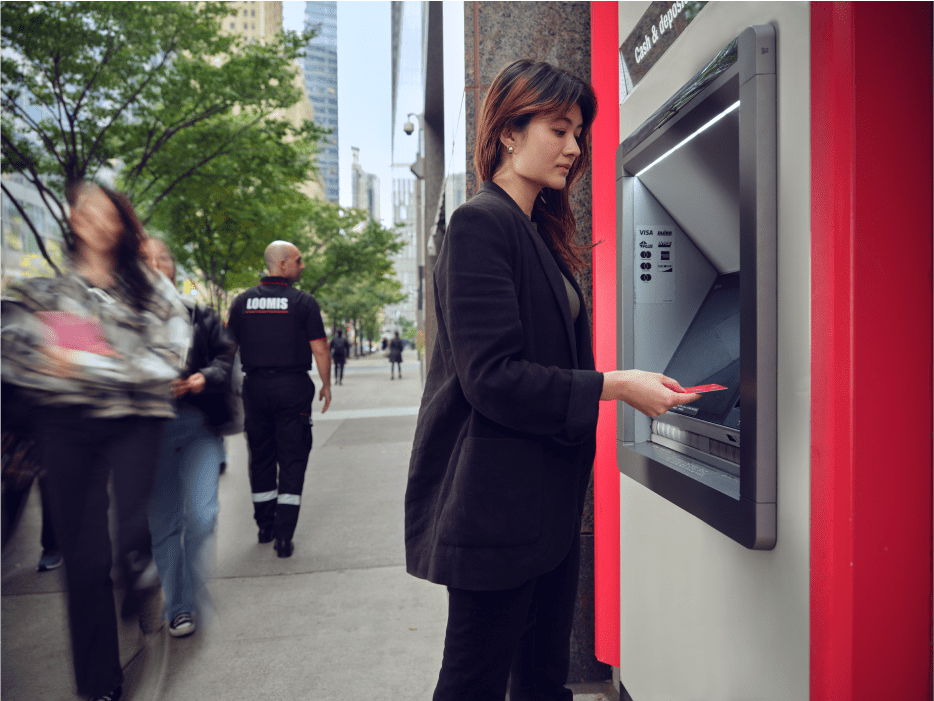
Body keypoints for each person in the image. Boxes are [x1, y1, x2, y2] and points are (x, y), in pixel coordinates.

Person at [404, 60, 702, 701]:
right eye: (558, 129)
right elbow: (492, 378)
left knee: (541, 679)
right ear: (509, 134)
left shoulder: (534, 228)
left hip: (544, 503)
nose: (574, 148)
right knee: (473, 684)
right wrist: (616, 386)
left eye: (579, 134)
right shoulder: (480, 224)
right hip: (496, 505)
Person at [1, 181, 190, 701]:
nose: (100, 221)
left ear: (125, 225)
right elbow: (27, 355)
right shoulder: (55, 294)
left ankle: (138, 574)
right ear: (72, 218)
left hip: (135, 418)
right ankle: (98, 685)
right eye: (89, 211)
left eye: (111, 213)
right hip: (67, 424)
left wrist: (93, 363)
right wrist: (96, 363)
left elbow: (169, 355)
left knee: (130, 537)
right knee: (83, 565)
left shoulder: (152, 289)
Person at [141, 239, 235, 638]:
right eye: (146, 259)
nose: (157, 264)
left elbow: (225, 359)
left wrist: (203, 378)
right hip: (149, 430)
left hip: (199, 425)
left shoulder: (200, 314)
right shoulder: (123, 319)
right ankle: (179, 607)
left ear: (174, 268)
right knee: (164, 523)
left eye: (164, 257)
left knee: (202, 515)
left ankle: (191, 589)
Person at [226, 241, 331, 558]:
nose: (303, 266)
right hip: (292, 389)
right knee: (292, 457)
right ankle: (284, 536)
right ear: (282, 263)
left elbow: (227, 349)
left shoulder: (241, 302)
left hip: (254, 389)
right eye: (298, 261)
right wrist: (326, 383)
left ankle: (264, 526)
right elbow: (320, 347)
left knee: (260, 457)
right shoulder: (303, 302)